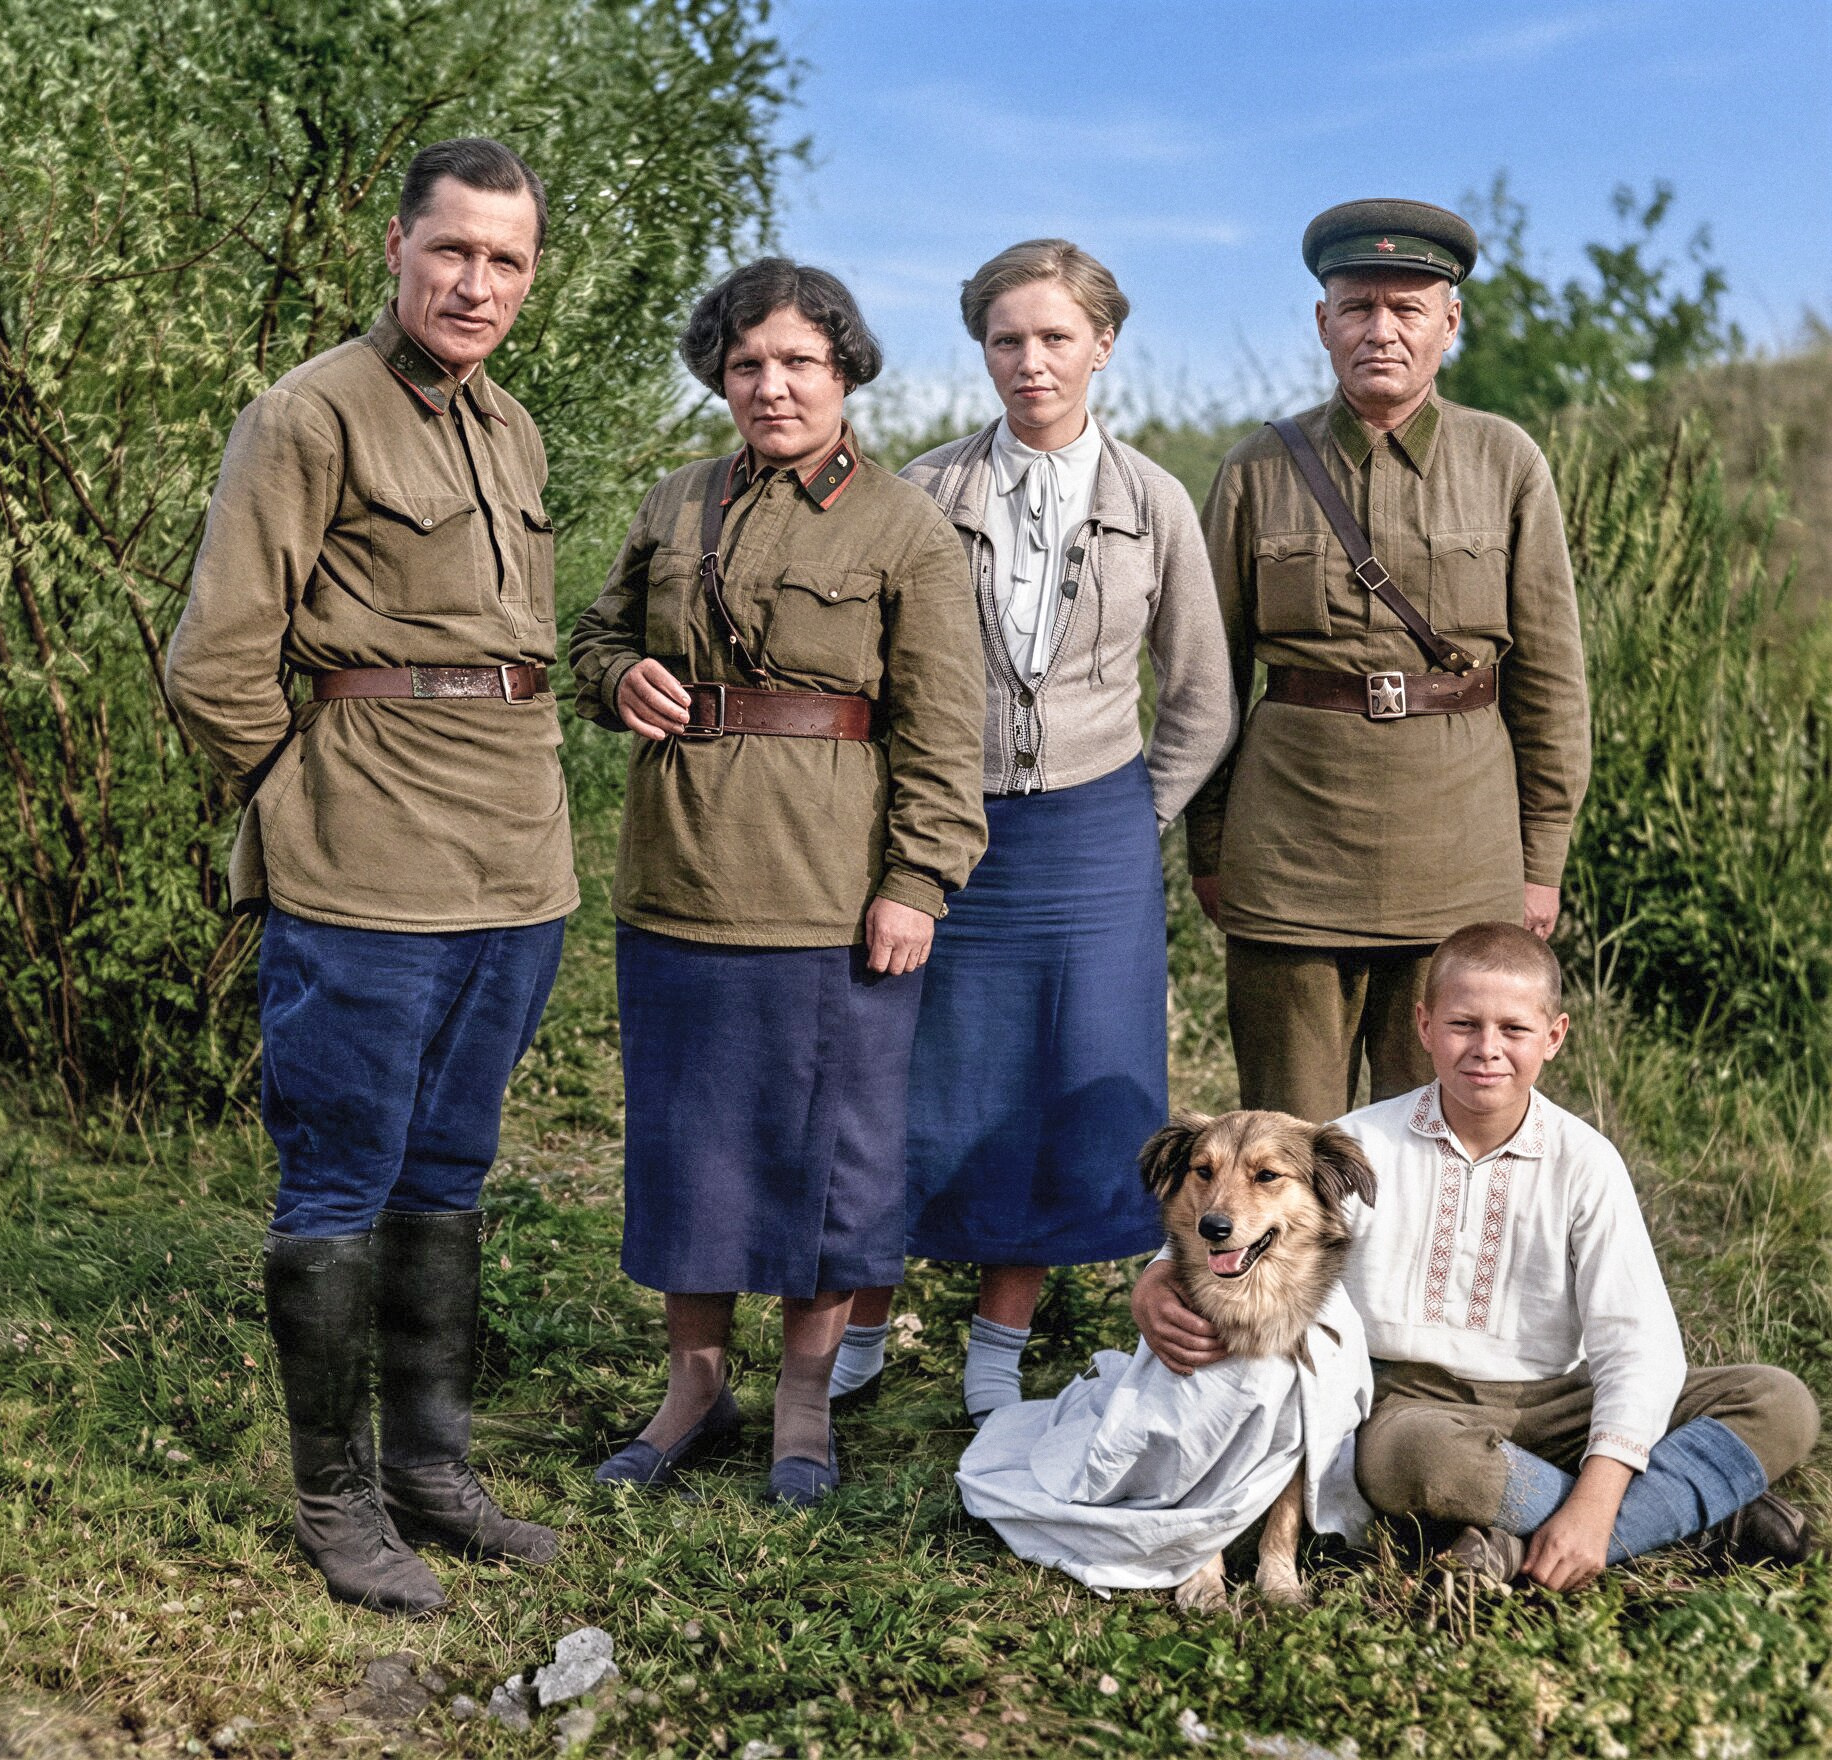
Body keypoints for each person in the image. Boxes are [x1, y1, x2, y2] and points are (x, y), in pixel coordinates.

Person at [163, 139, 574, 1616]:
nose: (477, 284)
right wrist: (305, 804)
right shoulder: (304, 415)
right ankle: (337, 1505)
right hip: (368, 869)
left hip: (516, 860)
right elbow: (216, 662)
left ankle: (432, 1471)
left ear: (530, 279)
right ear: (394, 246)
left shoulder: (511, 426)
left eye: (506, 261)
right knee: (340, 1170)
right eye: (453, 251)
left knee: (453, 1169)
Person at [569, 259, 985, 1507]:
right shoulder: (673, 500)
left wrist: (915, 879)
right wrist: (616, 677)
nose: (772, 384)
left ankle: (804, 1400)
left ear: (846, 370)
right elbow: (594, 638)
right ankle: (694, 1386)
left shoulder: (904, 524)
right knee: (687, 1148)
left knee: (830, 1159)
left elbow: (942, 729)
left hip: (833, 896)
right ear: (721, 377)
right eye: (747, 363)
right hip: (680, 884)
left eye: (800, 360)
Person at [834, 240, 1237, 1425]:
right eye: (1008, 338)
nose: (1032, 361)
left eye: (1056, 336)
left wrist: (1133, 812)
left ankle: (997, 1339)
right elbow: (878, 683)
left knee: (1063, 1085)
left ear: (1102, 346)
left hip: (1094, 835)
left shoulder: (1153, 498)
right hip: (946, 835)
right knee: (906, 1076)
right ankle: (864, 1313)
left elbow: (1203, 697)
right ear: (982, 351)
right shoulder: (923, 492)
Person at [1129, 922, 1817, 1590]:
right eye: (1464, 1025)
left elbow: (1640, 1346)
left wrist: (1599, 1500)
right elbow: (1244, 1214)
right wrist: (1158, 1276)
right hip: (1411, 1404)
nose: (1487, 1048)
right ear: (1425, 1027)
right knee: (1413, 1462)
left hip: (1557, 1399)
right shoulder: (1363, 1142)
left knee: (1779, 1401)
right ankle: (1695, 1523)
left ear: (1554, 1037)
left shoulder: (1585, 1162)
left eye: (1514, 1029)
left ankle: (1554, 1537)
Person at [1185, 199, 1592, 1123]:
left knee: (1441, 1139)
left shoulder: (1506, 461)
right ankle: (1296, 1280)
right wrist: (1212, 848)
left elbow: (1552, 683)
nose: (1382, 330)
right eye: (1359, 306)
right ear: (1322, 322)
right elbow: (1207, 680)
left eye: (1408, 309)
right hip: (1290, 857)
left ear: (1450, 324)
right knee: (1290, 1145)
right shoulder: (1256, 469)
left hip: (1460, 857)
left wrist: (1543, 858)